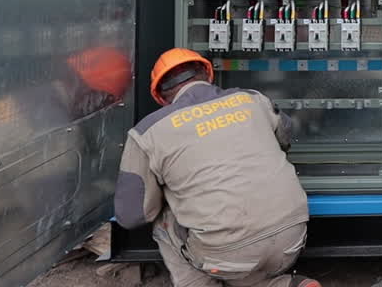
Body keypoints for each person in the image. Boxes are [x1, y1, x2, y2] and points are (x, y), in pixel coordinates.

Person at [114, 48, 318, 287]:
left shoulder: (147, 133)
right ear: (208, 75)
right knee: (245, 267)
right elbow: (285, 135)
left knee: (163, 219)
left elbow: (132, 215)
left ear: (160, 96)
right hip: (292, 240)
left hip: (227, 255)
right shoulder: (253, 99)